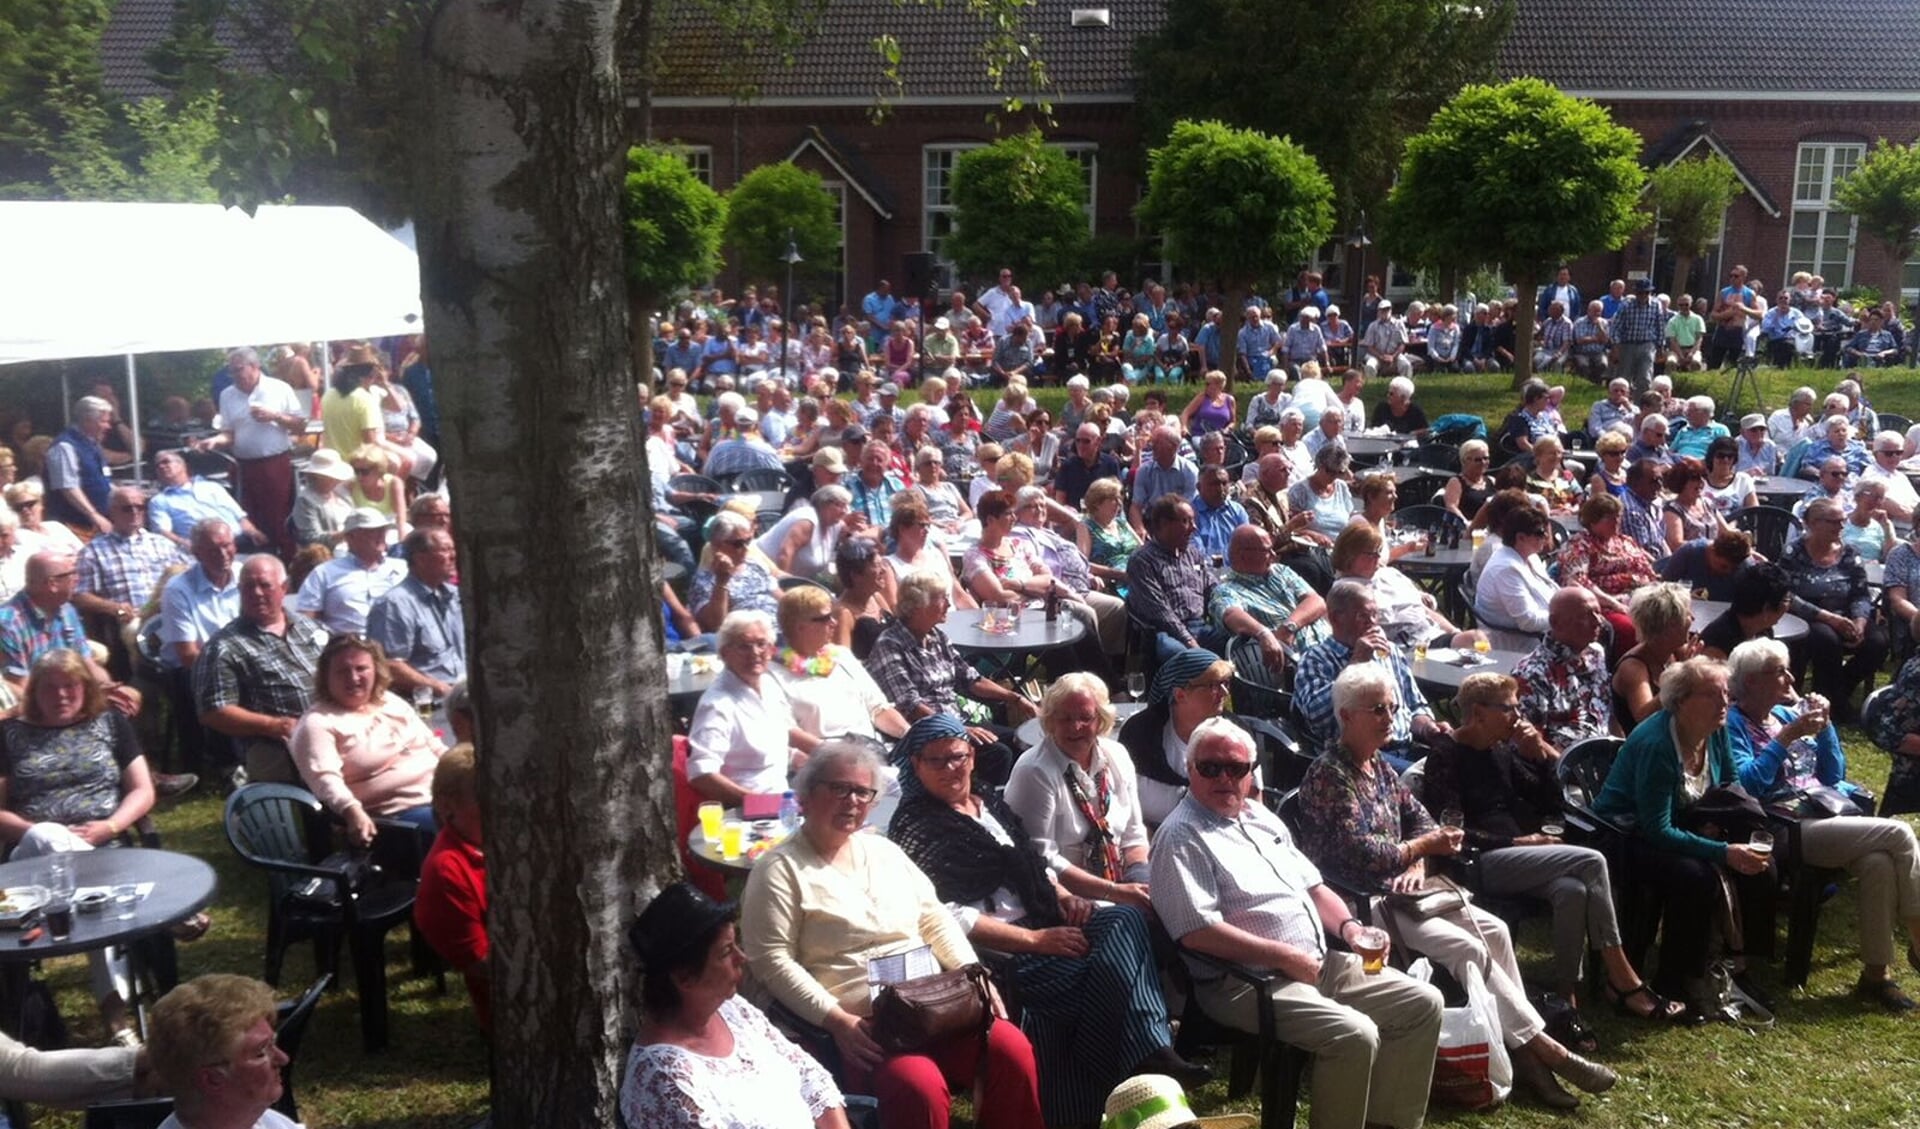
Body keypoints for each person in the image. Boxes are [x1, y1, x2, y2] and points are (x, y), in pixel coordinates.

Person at [1298, 666, 1616, 1111]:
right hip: (1362, 902)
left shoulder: (1381, 769)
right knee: (1466, 949)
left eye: (1392, 706)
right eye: (1378, 709)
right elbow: (1361, 852)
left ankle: (1526, 1058)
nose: (1390, 716)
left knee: (1497, 934)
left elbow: (1425, 822)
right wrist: (1420, 848)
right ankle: (1546, 1054)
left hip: (1413, 892)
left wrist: (1421, 859)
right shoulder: (1330, 774)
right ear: (1347, 716)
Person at [888, 715, 1200, 1124]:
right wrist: (1037, 942)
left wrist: (1066, 895)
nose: (952, 768)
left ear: (972, 756)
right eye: (938, 760)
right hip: (1001, 949)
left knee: (1125, 919)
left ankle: (1144, 1051)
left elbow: (1031, 863)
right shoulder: (915, 826)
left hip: (1043, 917)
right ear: (916, 765)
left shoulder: (986, 801)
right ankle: (1138, 1058)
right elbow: (947, 918)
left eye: (959, 756)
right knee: (1089, 982)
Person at [1151, 715, 1443, 1128]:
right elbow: (1198, 932)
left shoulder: (1258, 816)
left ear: (1251, 774)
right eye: (1210, 767)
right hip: (1244, 983)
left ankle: (1388, 1123)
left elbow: (1314, 888)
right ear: (1190, 768)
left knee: (1423, 1003)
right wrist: (1285, 956)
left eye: (1235, 768)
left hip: (1317, 963)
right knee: (1354, 1035)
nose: (1224, 777)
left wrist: (1350, 929)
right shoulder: (1181, 836)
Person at [741, 739, 1045, 1129]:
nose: (852, 801)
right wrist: (836, 1020)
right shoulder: (779, 870)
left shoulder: (884, 852)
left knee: (1011, 1050)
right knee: (916, 1085)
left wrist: (974, 972)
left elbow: (933, 918)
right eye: (839, 788)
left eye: (863, 792)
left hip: (935, 1006)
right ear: (807, 795)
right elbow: (772, 961)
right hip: (866, 1026)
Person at [1426, 671, 1679, 1021]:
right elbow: (1450, 829)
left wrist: (1539, 757)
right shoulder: (1447, 754)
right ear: (1479, 712)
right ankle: (1622, 978)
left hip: (1520, 856)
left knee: (1572, 890)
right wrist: (1517, 840)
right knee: (1591, 861)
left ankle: (1566, 996)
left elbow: (1550, 800)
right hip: (1477, 861)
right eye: (1509, 709)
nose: (1517, 718)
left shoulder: (1499, 750)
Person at [1592, 657, 1775, 1015]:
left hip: (1683, 822)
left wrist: (1724, 830)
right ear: (1680, 700)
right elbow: (1656, 829)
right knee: (1695, 876)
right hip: (1626, 835)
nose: (1724, 702)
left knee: (1764, 867)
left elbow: (1729, 787)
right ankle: (1675, 979)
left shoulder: (1715, 729)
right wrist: (1723, 850)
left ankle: (1738, 966)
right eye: (1711, 694)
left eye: (1725, 692)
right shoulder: (1658, 744)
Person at [0, 649, 159, 1042]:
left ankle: (118, 1019)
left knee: (92, 898)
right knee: (48, 837)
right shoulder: (8, 735)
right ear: (34, 692)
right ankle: (118, 1012)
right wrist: (47, 833)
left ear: (84, 687)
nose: (61, 695)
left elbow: (143, 789)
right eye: (50, 688)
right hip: (30, 859)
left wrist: (111, 825)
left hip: (105, 846)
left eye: (69, 685)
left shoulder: (110, 723)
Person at [621, 881, 851, 1129]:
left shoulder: (731, 1010)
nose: (742, 958)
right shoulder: (664, 1079)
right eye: (725, 952)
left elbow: (811, 1078)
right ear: (684, 977)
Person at [865, 570, 1030, 783]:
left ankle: (1009, 805)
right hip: (924, 733)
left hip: (956, 721)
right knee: (999, 753)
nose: (948, 604)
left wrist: (1015, 698)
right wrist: (957, 729)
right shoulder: (890, 645)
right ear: (919, 606)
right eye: (941, 598)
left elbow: (971, 679)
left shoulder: (937, 637)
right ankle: (983, 805)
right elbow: (910, 706)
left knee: (1019, 740)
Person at [1005, 672, 1152, 890]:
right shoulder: (1034, 771)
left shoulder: (1117, 755)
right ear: (1051, 721)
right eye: (1065, 718)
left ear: (1101, 719)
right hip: (1066, 895)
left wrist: (1140, 879)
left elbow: (1134, 834)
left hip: (1122, 878)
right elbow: (1040, 859)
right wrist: (1115, 893)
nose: (1076, 727)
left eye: (1085, 718)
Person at [196, 555, 328, 786]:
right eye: (249, 586)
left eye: (265, 585)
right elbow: (214, 711)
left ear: (284, 588)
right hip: (279, 747)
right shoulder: (224, 646)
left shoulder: (312, 628)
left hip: (337, 729)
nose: (257, 593)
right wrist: (275, 726)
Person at [1293, 581, 1446, 765]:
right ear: (1335, 618)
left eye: (1375, 614)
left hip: (1406, 746)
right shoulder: (1316, 659)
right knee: (1427, 781)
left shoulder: (1389, 651)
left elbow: (1414, 706)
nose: (1372, 622)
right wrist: (1356, 662)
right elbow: (1317, 718)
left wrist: (1429, 728)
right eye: (1362, 616)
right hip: (1357, 757)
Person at [1781, 497, 1887, 719]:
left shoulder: (1849, 552)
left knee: (1877, 643)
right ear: (1814, 523)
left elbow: (1860, 592)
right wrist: (1827, 618)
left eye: (1843, 521)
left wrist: (1859, 622)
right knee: (1826, 639)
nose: (1841, 526)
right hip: (1810, 616)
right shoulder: (1794, 552)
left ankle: (1839, 691)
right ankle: (1834, 702)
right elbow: (1786, 594)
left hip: (1846, 614)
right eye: (1834, 522)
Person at [146, 974, 297, 1129]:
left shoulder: (267, 1121)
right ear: (212, 1079)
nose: (283, 1058)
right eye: (260, 1052)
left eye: (273, 1042)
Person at [413, 743, 490, 1032]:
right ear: (447, 804)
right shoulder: (447, 871)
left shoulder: (507, 842)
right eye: (483, 796)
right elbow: (479, 963)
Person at [773, 585, 906, 749]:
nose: (834, 623)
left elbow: (878, 709)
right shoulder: (773, 673)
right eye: (825, 618)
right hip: (826, 761)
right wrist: (836, 756)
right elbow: (788, 731)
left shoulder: (841, 656)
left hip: (873, 750)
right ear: (800, 626)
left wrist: (910, 735)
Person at [1119, 649, 1240, 826]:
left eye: (1225, 683)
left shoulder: (1236, 735)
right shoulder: (1140, 735)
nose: (1224, 693)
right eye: (1213, 685)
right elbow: (1122, 805)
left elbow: (1252, 804)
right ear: (1180, 694)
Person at [685, 610, 796, 803]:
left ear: (771, 649)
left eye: (761, 644)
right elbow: (701, 774)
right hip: (746, 813)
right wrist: (759, 804)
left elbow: (769, 745)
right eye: (744, 647)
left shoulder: (769, 686)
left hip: (784, 797)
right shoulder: (717, 705)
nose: (755, 653)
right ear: (725, 653)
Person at [1330, 524, 1479, 653]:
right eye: (1371, 554)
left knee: (1476, 639)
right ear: (1349, 555)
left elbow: (1425, 610)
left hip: (1433, 637)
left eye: (1378, 552)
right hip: (1405, 649)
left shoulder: (1390, 573)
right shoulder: (1347, 590)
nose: (1377, 558)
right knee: (1472, 643)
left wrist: (1454, 632)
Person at [365, 527, 465, 702]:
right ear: (420, 558)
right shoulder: (394, 605)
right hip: (429, 703)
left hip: (465, 695)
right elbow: (390, 665)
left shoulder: (455, 596)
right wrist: (443, 690)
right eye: (444, 550)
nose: (453, 556)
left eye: (453, 549)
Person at [1511, 587, 1614, 749]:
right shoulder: (1532, 674)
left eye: (1598, 612)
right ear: (1555, 623)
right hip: (1562, 766)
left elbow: (1608, 714)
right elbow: (1530, 741)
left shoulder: (1596, 654)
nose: (1598, 621)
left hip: (1605, 756)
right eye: (1585, 615)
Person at [1557, 492, 1660, 652]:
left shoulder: (1625, 541)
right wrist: (1615, 604)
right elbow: (1579, 581)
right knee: (1631, 629)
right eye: (1610, 518)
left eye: (1618, 516)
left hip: (1643, 598)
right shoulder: (1580, 544)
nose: (1617, 522)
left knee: (1672, 620)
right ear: (1593, 521)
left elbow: (1649, 569)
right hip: (1608, 605)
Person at [1127, 494, 1225, 659]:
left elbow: (1212, 588)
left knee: (1238, 644)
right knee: (1185, 657)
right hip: (1165, 633)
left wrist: (1230, 613)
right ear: (1164, 524)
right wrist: (1190, 642)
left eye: (1193, 521)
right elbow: (1160, 612)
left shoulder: (1193, 554)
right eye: (1186, 521)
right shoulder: (1143, 561)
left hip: (1201, 627)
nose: (1193, 528)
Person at [293, 507, 407, 635]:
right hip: (349, 648)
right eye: (372, 531)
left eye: (383, 530)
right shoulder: (324, 573)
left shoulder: (403, 568)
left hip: (398, 647)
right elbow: (305, 621)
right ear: (350, 537)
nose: (381, 535)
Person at [1610, 582, 1696, 727]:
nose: (1693, 618)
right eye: (1687, 614)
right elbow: (1644, 717)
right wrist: (1679, 676)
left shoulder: (1677, 651)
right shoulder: (1633, 668)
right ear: (1669, 626)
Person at [146, 450, 263, 549]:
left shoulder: (212, 487)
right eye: (157, 466)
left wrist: (254, 533)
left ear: (182, 465)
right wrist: (188, 546)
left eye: (166, 462)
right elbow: (163, 533)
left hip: (238, 541)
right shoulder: (159, 501)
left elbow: (240, 517)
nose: (161, 466)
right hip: (203, 549)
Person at [1473, 505, 1556, 636]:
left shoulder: (1530, 556)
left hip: (1546, 628)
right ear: (1521, 537)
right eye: (1540, 533)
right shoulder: (1506, 569)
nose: (1546, 536)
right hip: (1518, 640)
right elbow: (1528, 621)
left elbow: (1550, 591)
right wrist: (1565, 618)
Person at [43, 396, 116, 534]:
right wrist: (94, 515)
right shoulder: (64, 446)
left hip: (96, 524)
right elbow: (68, 487)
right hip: (74, 525)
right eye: (104, 421)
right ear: (88, 420)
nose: (108, 426)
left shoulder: (93, 445)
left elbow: (100, 480)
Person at [291, 448, 356, 551]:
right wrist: (346, 534)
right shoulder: (305, 500)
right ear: (317, 476)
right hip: (327, 555)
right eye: (330, 476)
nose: (336, 479)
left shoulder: (340, 490)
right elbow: (310, 539)